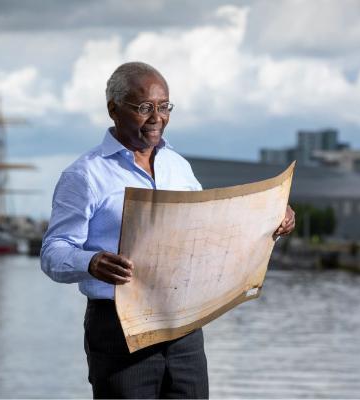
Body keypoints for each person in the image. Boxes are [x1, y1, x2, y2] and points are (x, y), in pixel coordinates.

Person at [41, 61, 295, 399]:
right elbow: (52, 252)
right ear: (113, 109)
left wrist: (272, 218)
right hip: (119, 330)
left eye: (164, 107)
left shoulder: (178, 165)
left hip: (185, 328)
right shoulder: (84, 175)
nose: (156, 117)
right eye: (144, 107)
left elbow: (212, 230)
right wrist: (91, 262)